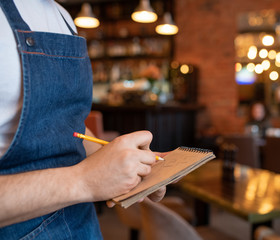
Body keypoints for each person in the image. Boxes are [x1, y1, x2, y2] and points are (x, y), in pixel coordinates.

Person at [0, 1, 166, 239]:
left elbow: (68, 127)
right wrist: (84, 181)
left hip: (84, 228)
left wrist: (123, 162)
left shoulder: (64, 17)